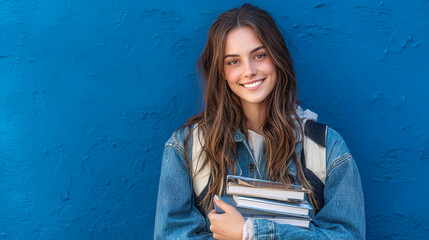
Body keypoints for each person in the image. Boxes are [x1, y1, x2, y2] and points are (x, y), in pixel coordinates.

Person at [154, 3, 365, 240]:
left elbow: (348, 236)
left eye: (259, 55)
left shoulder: (327, 149)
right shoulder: (186, 148)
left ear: (277, 58)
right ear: (221, 71)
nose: (249, 70)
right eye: (233, 61)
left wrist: (251, 233)